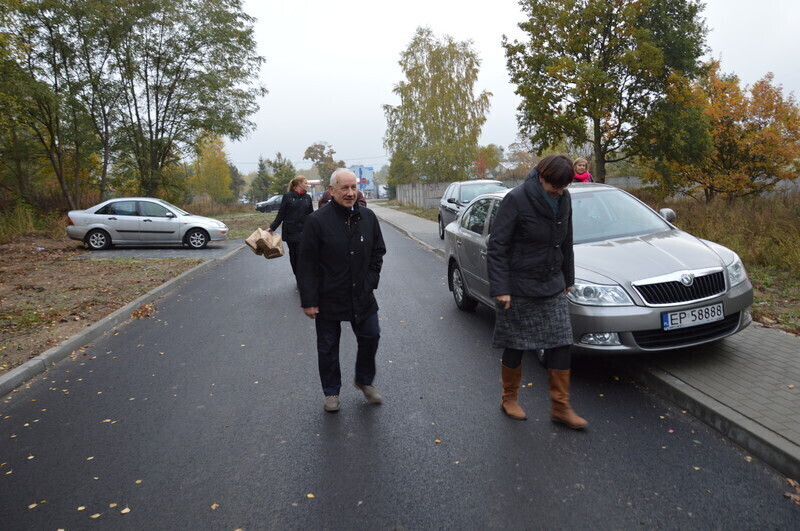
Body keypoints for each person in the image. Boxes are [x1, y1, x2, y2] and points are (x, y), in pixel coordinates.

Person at [487, 154, 588, 429]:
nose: (559, 192)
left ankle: (560, 407)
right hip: (518, 286)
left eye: (564, 187)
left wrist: (568, 277)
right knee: (515, 344)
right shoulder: (516, 199)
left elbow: (566, 239)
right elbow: (497, 246)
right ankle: (509, 398)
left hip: (552, 282)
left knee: (561, 342)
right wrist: (501, 288)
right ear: (541, 177)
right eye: (555, 186)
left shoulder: (563, 198)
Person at [298, 168, 387, 412]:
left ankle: (364, 380)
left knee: (371, 336)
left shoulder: (368, 218)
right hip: (329, 296)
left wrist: (370, 280)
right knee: (328, 347)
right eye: (344, 188)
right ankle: (331, 392)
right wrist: (309, 300)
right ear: (332, 190)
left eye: (353, 187)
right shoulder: (317, 222)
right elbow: (306, 265)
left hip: (362, 294)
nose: (350, 193)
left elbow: (378, 251)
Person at [268, 176, 314, 278]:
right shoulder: (288, 197)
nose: (307, 184)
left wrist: (317, 227)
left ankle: (303, 277)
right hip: (291, 232)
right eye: (305, 183)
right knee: (294, 255)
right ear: (299, 183)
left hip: (304, 231)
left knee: (303, 255)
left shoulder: (307, 197)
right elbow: (281, 214)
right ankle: (297, 274)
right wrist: (272, 227)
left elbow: (311, 215)